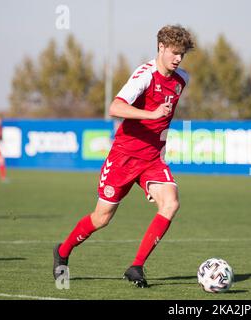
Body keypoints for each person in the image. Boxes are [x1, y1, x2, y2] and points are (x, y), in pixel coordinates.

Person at [53, 25, 195, 288]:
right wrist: (151, 114)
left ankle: (136, 266)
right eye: (175, 52)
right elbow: (115, 107)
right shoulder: (144, 75)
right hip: (124, 158)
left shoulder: (182, 79)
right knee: (102, 218)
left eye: (182, 54)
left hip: (152, 159)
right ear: (161, 48)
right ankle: (63, 251)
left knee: (171, 203)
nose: (178, 59)